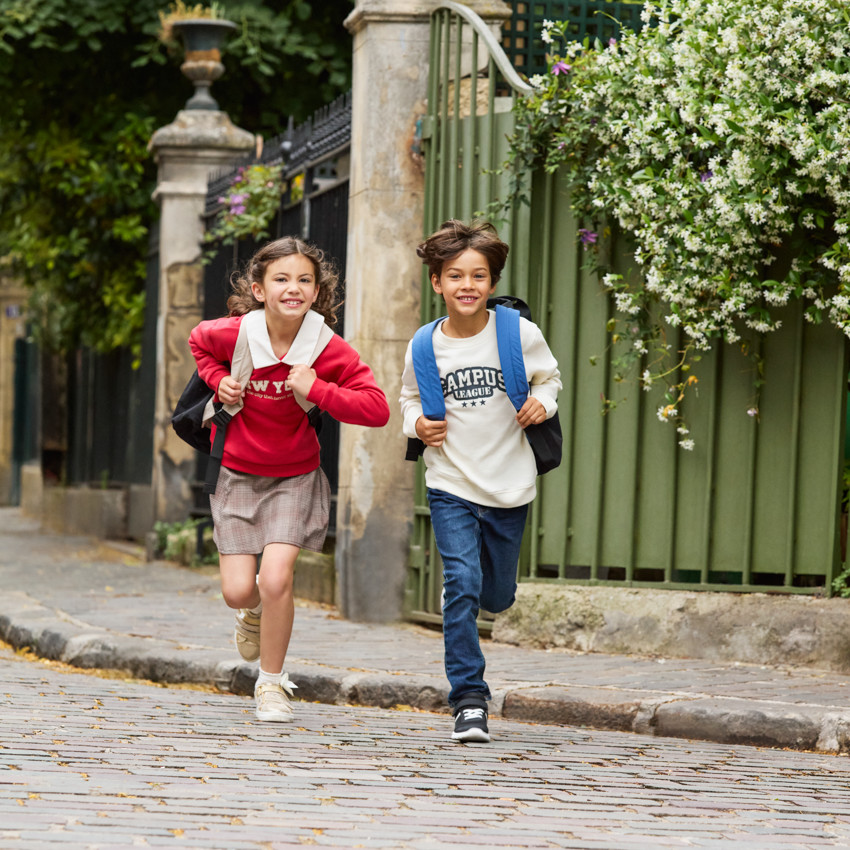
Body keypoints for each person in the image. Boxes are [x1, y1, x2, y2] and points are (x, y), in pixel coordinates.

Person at [189, 236, 390, 723]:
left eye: (304, 280)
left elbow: (377, 409)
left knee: (276, 578)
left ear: (317, 291)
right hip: (237, 473)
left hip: (295, 476)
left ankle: (272, 684)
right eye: (281, 279)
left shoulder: (325, 347)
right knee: (240, 590)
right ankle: (252, 613)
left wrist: (317, 388)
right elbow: (198, 341)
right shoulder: (234, 334)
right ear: (258, 289)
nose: (293, 288)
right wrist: (219, 382)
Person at [399, 219, 561, 743]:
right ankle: (469, 700)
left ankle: (489, 599)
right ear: (437, 283)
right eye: (455, 275)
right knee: (462, 584)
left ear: (491, 282)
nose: (467, 285)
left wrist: (544, 402)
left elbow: (549, 377)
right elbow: (406, 400)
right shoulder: (424, 345)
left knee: (495, 595)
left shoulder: (518, 333)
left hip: (509, 484)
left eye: (479, 276)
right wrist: (417, 424)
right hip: (451, 482)